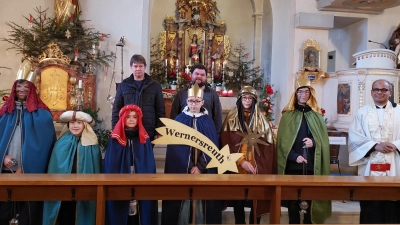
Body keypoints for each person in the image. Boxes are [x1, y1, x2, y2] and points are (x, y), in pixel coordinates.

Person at [162, 83, 222, 225]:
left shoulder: (208, 122)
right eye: (190, 101)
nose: (193, 104)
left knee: (202, 204)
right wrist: (189, 166)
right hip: (183, 170)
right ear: (186, 101)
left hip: (202, 171)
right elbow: (175, 149)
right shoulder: (179, 120)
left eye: (196, 101)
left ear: (202, 102)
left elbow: (212, 147)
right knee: (181, 204)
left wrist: (200, 167)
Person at [0, 78, 56, 225]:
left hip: (30, 172)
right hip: (5, 169)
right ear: (14, 90)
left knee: (28, 215)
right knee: (4, 211)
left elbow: (46, 143)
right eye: (19, 87)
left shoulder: (42, 114)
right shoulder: (5, 112)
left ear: (31, 90)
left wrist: (26, 166)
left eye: (26, 87)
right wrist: (5, 158)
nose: (22, 89)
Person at [276, 80, 331, 224]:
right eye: (300, 92)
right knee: (293, 201)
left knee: (310, 199)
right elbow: (282, 142)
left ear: (310, 94)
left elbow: (323, 141)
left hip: (312, 165)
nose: (303, 95)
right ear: (295, 94)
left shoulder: (316, 116)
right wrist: (294, 156)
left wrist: (314, 142)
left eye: (306, 92)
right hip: (293, 166)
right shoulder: (287, 116)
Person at [221, 86, 276, 224]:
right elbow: (226, 143)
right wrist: (240, 161)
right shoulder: (231, 118)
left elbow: (268, 148)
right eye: (244, 98)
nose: (247, 100)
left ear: (254, 100)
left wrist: (260, 165)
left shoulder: (261, 120)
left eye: (250, 98)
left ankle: (254, 222)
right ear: (240, 99)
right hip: (238, 165)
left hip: (255, 166)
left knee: (255, 198)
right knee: (238, 198)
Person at [348, 79, 400, 224]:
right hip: (370, 164)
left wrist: (395, 144)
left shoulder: (399, 111)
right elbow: (354, 136)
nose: (379, 92)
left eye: (384, 90)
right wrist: (374, 146)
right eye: (376, 89)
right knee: (371, 203)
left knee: (393, 203)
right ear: (371, 92)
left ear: (390, 92)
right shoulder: (362, 112)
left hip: (395, 163)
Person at [43, 111, 101, 225]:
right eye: (72, 122)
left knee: (81, 212)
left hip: (83, 188)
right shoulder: (61, 143)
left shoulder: (92, 144)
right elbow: (55, 167)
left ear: (85, 125)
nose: (75, 126)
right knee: (63, 214)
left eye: (79, 122)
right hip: (64, 189)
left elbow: (95, 167)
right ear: (68, 125)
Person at [104, 104, 158, 225]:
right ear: (123, 119)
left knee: (141, 212)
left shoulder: (144, 138)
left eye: (135, 116)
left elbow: (148, 163)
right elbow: (110, 164)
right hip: (121, 182)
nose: (132, 119)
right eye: (128, 117)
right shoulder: (115, 139)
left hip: (140, 181)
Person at [112, 54, 165, 141]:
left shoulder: (155, 85)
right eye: (135, 66)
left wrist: (159, 130)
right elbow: (116, 108)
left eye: (141, 66)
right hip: (128, 129)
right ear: (131, 67)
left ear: (145, 67)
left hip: (148, 129)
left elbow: (160, 110)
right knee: (129, 154)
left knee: (147, 154)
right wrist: (115, 128)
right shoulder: (123, 85)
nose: (138, 69)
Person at [170, 64, 222, 136]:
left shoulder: (212, 94)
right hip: (184, 134)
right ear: (191, 75)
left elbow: (217, 117)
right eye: (196, 74)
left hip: (206, 134)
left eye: (202, 75)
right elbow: (174, 113)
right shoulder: (182, 93)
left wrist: (216, 135)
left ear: (206, 77)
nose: (199, 76)